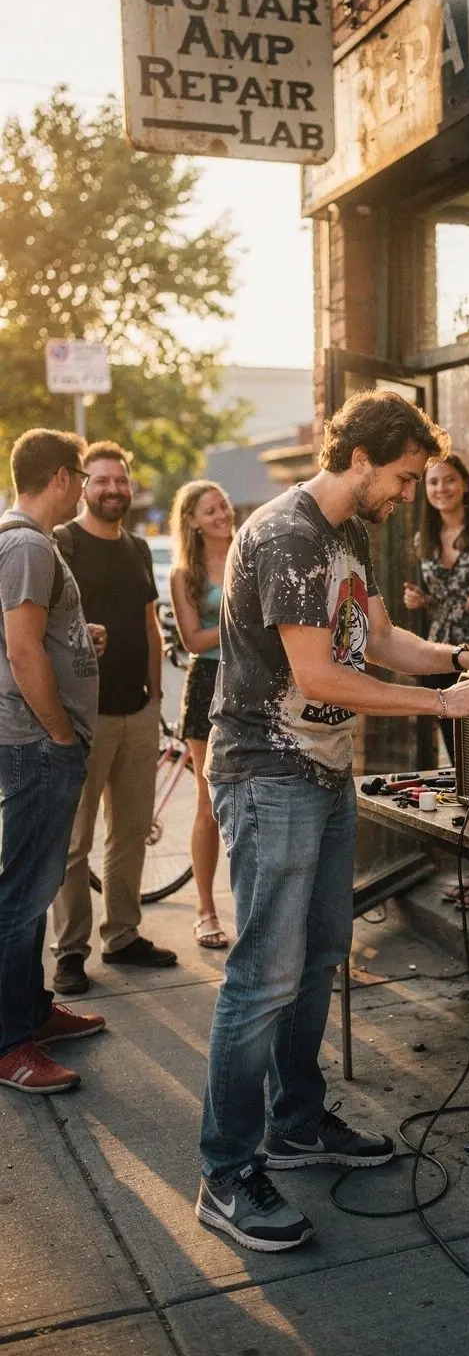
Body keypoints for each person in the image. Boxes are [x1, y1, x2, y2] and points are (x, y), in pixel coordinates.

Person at [197, 389, 469, 1254]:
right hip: (266, 774)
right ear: (360, 457)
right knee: (261, 978)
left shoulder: (347, 537)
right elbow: (321, 677)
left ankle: (298, 1124)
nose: (408, 492)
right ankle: (226, 1172)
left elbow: (381, 638)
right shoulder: (283, 535)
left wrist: (465, 656)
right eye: (403, 476)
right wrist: (444, 701)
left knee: (316, 960)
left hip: (321, 774)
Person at [0, 429, 107, 1095]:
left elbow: (34, 636)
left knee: (34, 888)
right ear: (64, 477)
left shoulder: (21, 543)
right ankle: (11, 1043)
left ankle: (33, 1013)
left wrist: (78, 638)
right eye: (80, 475)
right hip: (40, 747)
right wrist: (62, 736)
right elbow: (20, 649)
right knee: (21, 895)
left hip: (41, 744)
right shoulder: (30, 543)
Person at [50, 441, 177, 996]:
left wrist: (154, 697)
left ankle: (122, 936)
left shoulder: (138, 548)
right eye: (102, 480)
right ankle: (71, 951)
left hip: (137, 711)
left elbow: (150, 624)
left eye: (120, 481)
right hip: (83, 717)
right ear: (83, 486)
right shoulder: (63, 543)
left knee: (129, 833)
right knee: (73, 843)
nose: (113, 489)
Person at [403, 453, 469, 909]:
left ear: (465, 483)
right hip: (441, 656)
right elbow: (440, 598)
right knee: (463, 763)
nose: (440, 489)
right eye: (432, 483)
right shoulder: (424, 537)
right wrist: (419, 600)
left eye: (448, 480)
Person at [169, 480, 234, 950]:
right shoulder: (183, 574)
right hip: (207, 684)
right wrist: (240, 626)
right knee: (208, 803)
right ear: (191, 520)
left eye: (224, 506)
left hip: (254, 680)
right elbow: (192, 640)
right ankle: (205, 908)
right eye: (209, 510)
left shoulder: (249, 550)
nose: (221, 514)